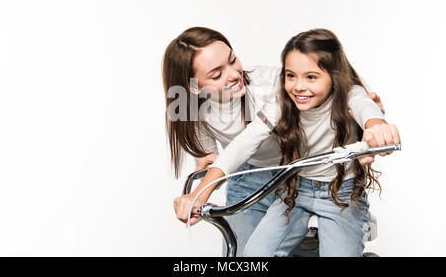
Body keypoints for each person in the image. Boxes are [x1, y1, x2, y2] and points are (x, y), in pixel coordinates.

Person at [164, 27, 385, 256]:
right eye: (216, 74)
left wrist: (371, 118)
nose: (233, 74)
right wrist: (201, 190)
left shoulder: (270, 84)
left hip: (292, 173)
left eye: (232, 60)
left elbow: (337, 85)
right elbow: (225, 154)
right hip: (246, 178)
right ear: (193, 86)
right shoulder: (190, 108)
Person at [241, 29, 400, 257]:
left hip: (341, 194)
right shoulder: (285, 101)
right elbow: (247, 139)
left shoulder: (350, 95)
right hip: (296, 190)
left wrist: (376, 125)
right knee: (255, 255)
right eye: (291, 75)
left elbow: (366, 107)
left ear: (334, 77)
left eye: (312, 77)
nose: (298, 86)